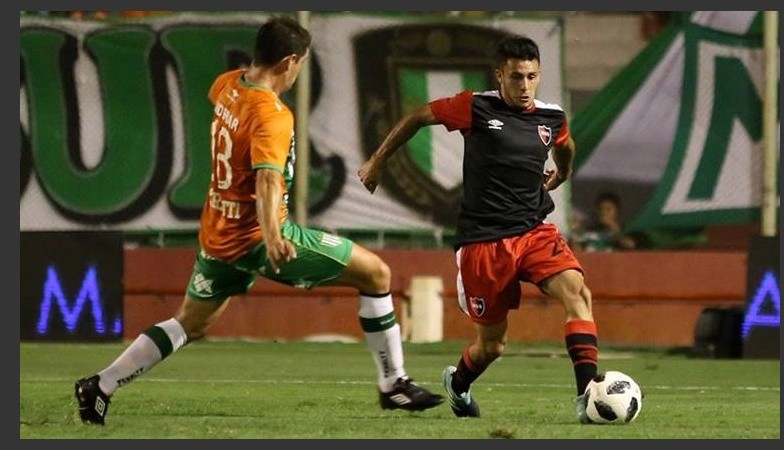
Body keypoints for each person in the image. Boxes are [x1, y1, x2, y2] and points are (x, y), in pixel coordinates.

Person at [74, 16, 443, 426]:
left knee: (188, 322)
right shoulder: (273, 115)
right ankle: (393, 384)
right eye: (300, 63)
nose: (298, 71)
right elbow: (267, 179)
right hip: (259, 236)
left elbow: (230, 120)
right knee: (377, 274)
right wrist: (273, 237)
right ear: (289, 61)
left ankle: (100, 386)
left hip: (219, 236)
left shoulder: (228, 84)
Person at [358, 34, 599, 422]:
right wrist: (377, 161)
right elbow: (418, 116)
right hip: (483, 243)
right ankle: (459, 383)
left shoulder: (551, 116)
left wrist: (563, 173)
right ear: (500, 74)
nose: (525, 86)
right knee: (492, 345)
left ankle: (588, 396)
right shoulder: (474, 107)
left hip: (534, 230)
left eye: (532, 77)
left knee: (577, 292)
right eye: (517, 77)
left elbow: (565, 144)